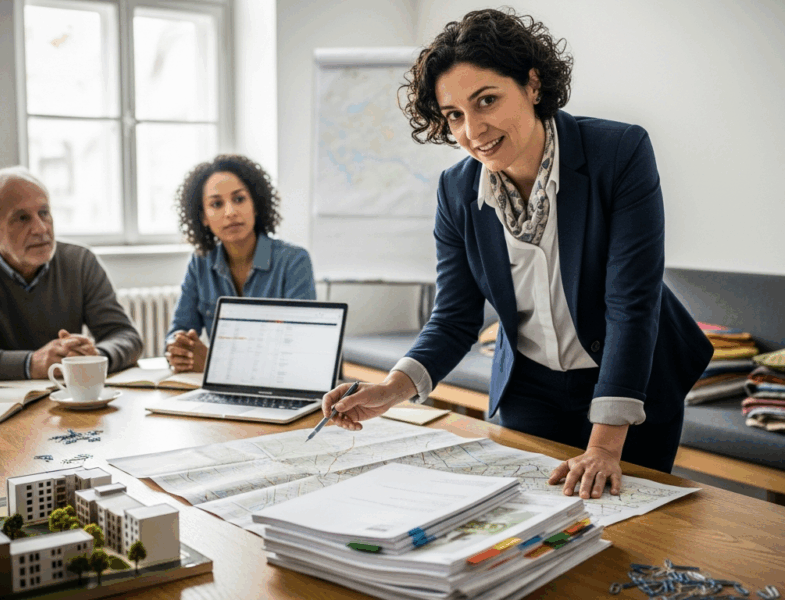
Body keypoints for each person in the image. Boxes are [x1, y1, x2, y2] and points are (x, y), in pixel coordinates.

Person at [322, 9, 713, 500]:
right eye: (455, 115)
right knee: (532, 524)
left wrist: (606, 446)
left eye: (487, 100)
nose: (473, 129)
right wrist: (390, 390)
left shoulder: (619, 152)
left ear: (532, 84)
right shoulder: (457, 191)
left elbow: (631, 306)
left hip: (631, 382)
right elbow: (454, 318)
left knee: (631, 533)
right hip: (531, 386)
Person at [0, 166, 143, 380]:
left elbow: (126, 336)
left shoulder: (80, 262)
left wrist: (97, 356)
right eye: (22, 218)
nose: (41, 228)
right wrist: (30, 364)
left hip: (66, 398)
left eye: (44, 213)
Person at [166, 154, 316, 373]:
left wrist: (213, 361)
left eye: (239, 199)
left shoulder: (294, 261)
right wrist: (178, 349)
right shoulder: (200, 263)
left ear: (255, 205)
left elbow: (298, 350)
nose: (230, 212)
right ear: (204, 217)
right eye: (216, 204)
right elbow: (179, 330)